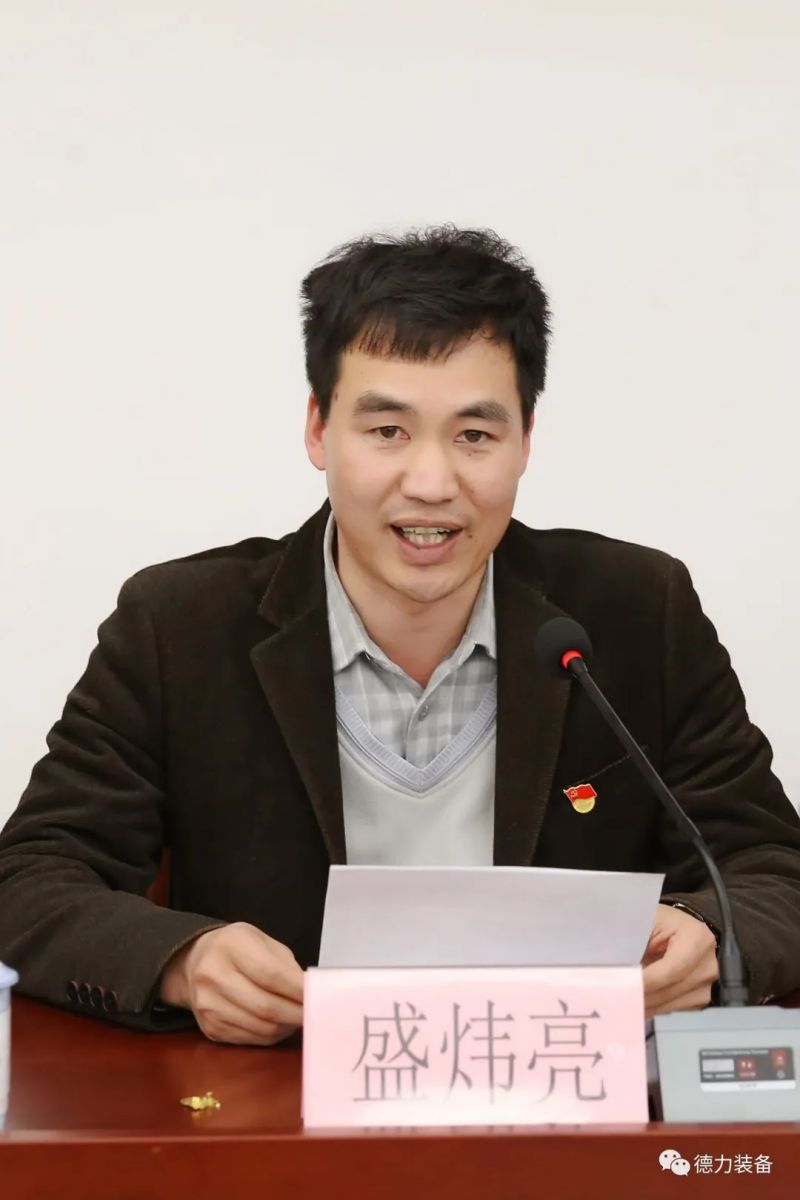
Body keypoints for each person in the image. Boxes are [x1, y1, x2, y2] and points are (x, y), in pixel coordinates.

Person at [1, 225, 799, 1048]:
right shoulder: (180, 626)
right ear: (319, 429)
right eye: (388, 431)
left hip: (563, 1089)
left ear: (526, 440)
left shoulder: (635, 612)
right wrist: (182, 958)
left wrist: (711, 934)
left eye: (474, 435)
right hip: (280, 1098)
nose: (430, 483)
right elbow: (28, 878)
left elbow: (772, 870)